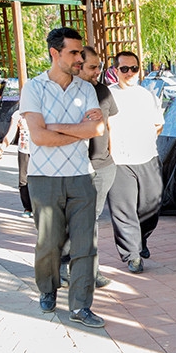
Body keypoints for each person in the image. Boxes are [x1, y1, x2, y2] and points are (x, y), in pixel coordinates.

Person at [19, 27, 105, 328]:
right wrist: (75, 128)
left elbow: (96, 130)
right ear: (55, 54)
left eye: (81, 52)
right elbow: (39, 137)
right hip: (44, 178)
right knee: (49, 243)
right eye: (73, 52)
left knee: (86, 245)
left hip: (81, 176)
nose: (80, 58)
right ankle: (48, 289)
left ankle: (81, 306)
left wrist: (58, 126)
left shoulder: (87, 89)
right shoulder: (34, 87)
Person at [60, 46, 119, 289]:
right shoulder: (66, 94)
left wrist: (111, 154)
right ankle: (62, 264)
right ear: (77, 67)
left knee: (91, 221)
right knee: (76, 221)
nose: (98, 72)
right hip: (77, 169)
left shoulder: (103, 91)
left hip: (103, 166)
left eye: (99, 67)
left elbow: (110, 126)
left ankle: (89, 270)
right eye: (92, 67)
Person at [107, 51, 164, 274]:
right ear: (115, 71)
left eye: (134, 68)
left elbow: (158, 124)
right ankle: (132, 255)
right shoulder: (107, 95)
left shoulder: (147, 95)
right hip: (119, 161)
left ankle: (141, 238)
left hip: (148, 157)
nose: (129, 73)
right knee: (124, 210)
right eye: (124, 69)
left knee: (151, 205)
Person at [0, 109, 33, 218]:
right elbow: (11, 132)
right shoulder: (18, 114)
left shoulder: (40, 111)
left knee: (39, 179)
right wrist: (2, 147)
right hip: (24, 150)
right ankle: (27, 208)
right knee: (23, 180)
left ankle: (39, 207)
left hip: (39, 151)